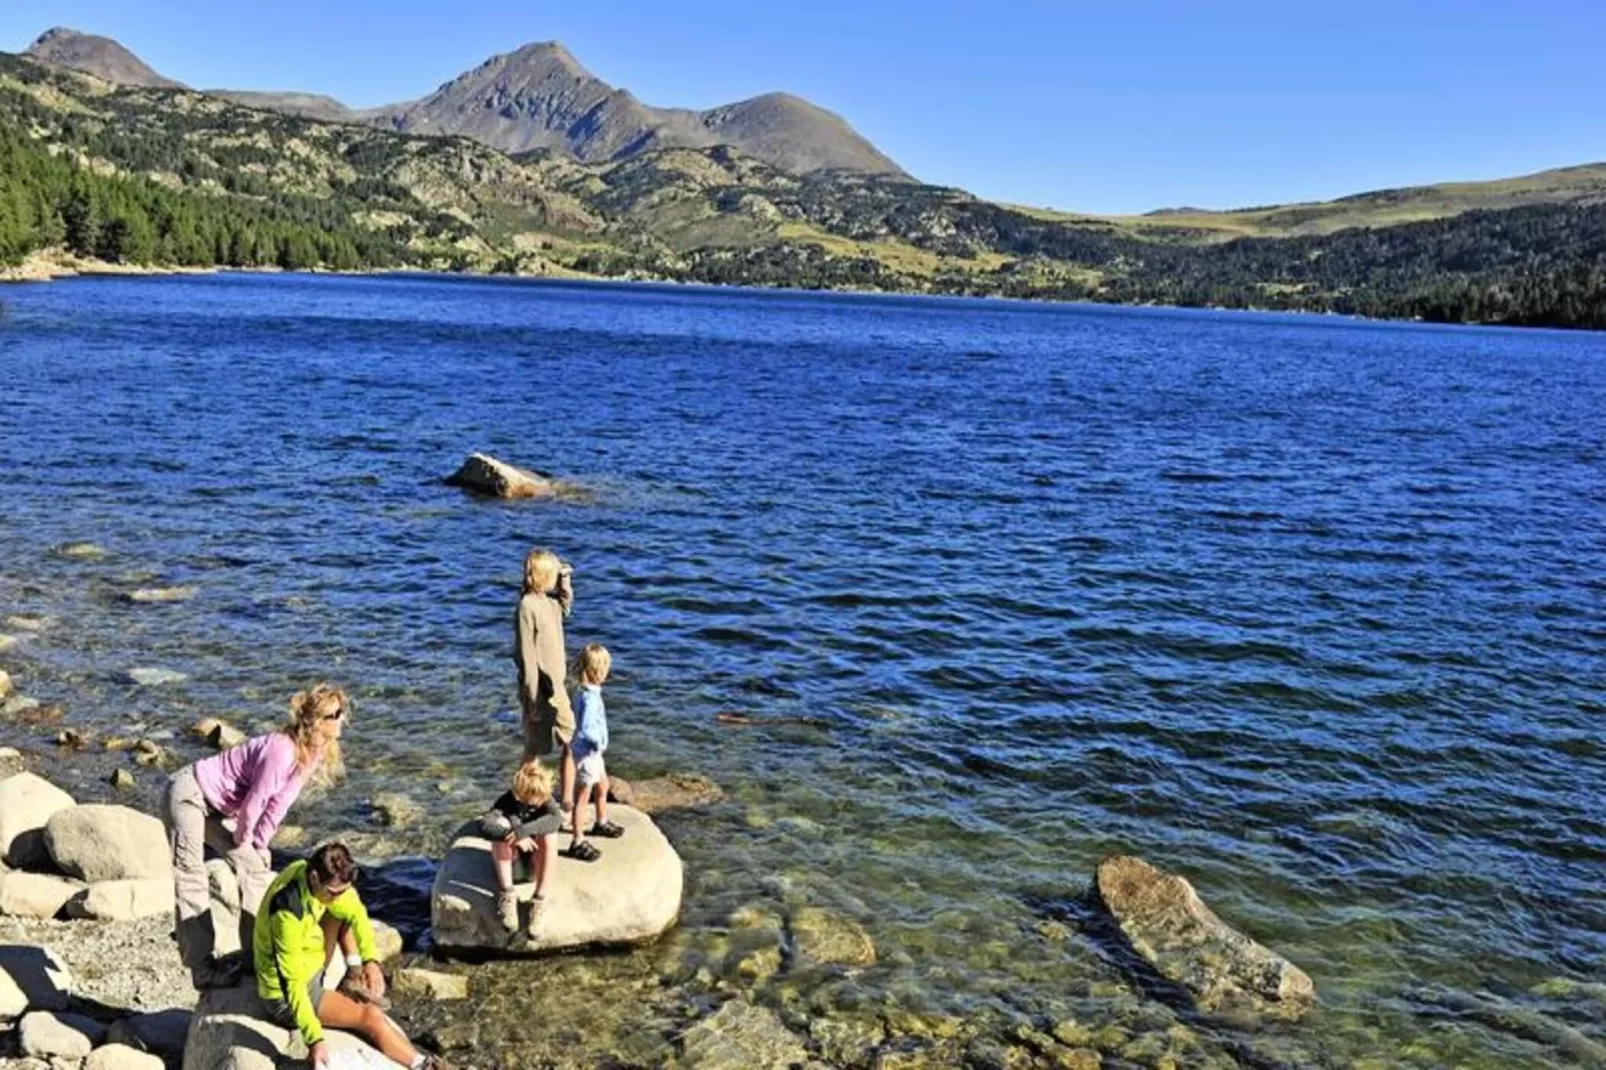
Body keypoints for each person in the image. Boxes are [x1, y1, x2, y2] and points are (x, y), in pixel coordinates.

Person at [162, 683, 348, 989]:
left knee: (255, 867)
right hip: (189, 794)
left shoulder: (313, 752)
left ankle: (254, 954)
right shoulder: (281, 749)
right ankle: (202, 969)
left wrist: (259, 844)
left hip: (219, 807)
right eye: (336, 714)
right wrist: (245, 837)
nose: (342, 719)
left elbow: (280, 802)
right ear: (317, 721)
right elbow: (255, 803)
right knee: (191, 876)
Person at [254, 842, 450, 1070]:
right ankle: (422, 1064)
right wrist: (315, 1040)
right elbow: (294, 987)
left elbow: (356, 912)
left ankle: (352, 974)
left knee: (343, 912)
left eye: (343, 890)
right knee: (371, 1017)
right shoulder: (287, 915)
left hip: (311, 959)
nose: (339, 896)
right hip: (288, 995)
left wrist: (370, 961)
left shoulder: (305, 871)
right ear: (315, 877)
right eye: (334, 892)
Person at [514, 547, 576, 810]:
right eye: (553, 573)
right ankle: (522, 798)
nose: (555, 577)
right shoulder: (527, 606)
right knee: (534, 747)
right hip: (539, 689)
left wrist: (565, 582)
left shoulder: (550, 604)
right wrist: (532, 698)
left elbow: (565, 606)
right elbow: (527, 656)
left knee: (573, 739)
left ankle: (568, 798)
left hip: (558, 688)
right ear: (542, 575)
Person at [480, 758, 563, 937]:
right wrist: (512, 835)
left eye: (539, 800)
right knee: (500, 827)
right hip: (513, 863)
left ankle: (539, 899)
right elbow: (485, 825)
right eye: (530, 800)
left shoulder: (547, 801)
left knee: (551, 834)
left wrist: (523, 831)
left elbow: (557, 819)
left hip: (535, 863)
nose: (536, 804)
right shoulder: (507, 801)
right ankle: (507, 895)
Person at [564, 644, 622, 863]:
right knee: (583, 795)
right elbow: (587, 728)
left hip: (593, 754)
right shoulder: (588, 698)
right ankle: (577, 841)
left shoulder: (587, 692)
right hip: (588, 753)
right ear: (598, 671)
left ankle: (601, 821)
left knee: (603, 785)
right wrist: (598, 742)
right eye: (605, 668)